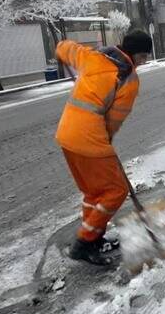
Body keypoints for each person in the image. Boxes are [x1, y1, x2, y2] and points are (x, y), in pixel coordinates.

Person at [55, 29, 152, 265]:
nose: (145, 61)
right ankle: (84, 243)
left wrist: (60, 48)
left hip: (66, 135)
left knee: (94, 192)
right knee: (115, 190)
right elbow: (113, 121)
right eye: (144, 56)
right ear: (136, 55)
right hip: (89, 139)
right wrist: (104, 142)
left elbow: (64, 48)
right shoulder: (128, 80)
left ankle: (94, 236)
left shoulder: (94, 56)